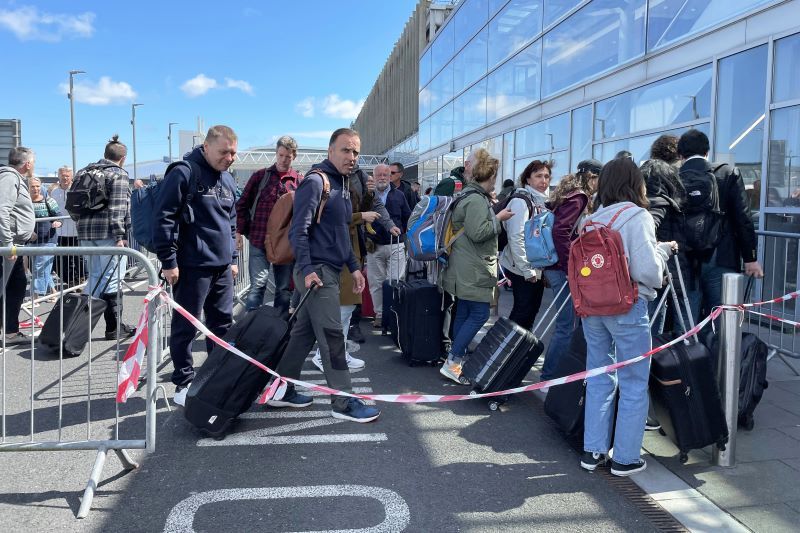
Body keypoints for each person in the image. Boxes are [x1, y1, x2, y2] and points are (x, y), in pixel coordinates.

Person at [267, 128, 380, 423]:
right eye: (345, 150)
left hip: (328, 270)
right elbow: (299, 230)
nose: (352, 157)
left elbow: (341, 233)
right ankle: (342, 402)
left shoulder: (342, 184)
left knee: (302, 336)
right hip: (316, 273)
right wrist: (306, 270)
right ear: (330, 151)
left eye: (356, 151)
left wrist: (354, 267)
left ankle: (282, 389)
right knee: (332, 338)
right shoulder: (317, 182)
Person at [579, 157, 675, 477]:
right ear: (636, 184)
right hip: (626, 306)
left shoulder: (590, 220)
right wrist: (662, 254)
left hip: (592, 307)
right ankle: (625, 457)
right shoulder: (637, 216)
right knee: (634, 382)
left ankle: (593, 451)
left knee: (599, 376)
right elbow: (647, 270)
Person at [153, 126, 239, 406]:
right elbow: (164, 217)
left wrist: (234, 260)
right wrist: (168, 261)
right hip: (191, 266)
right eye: (224, 151)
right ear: (206, 147)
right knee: (186, 327)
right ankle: (184, 382)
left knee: (222, 325)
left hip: (222, 267)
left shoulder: (226, 179)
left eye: (234, 152)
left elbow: (231, 221)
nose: (230, 157)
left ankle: (214, 378)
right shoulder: (184, 172)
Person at [439, 148, 513, 383]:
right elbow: (479, 232)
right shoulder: (476, 200)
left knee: (464, 311)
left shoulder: (466, 196)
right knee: (480, 313)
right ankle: (453, 361)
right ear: (489, 176)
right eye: (494, 177)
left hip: (462, 266)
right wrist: (498, 219)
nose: (495, 181)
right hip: (474, 268)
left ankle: (453, 361)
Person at [676, 129, 763, 318]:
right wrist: (750, 258)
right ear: (707, 152)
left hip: (684, 258)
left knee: (686, 321)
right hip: (721, 255)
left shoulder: (673, 177)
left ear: (680, 155)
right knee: (722, 317)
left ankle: (688, 347)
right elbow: (743, 219)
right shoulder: (727, 173)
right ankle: (720, 347)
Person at [73, 135, 136, 341]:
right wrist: (120, 235)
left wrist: (81, 225)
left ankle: (75, 326)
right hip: (108, 234)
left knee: (94, 278)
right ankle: (113, 327)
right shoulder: (118, 174)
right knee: (112, 279)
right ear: (123, 158)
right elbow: (118, 208)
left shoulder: (84, 171)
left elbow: (72, 204)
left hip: (85, 233)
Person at [538, 166, 596, 381]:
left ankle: (556, 374)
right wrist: (569, 265)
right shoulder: (579, 197)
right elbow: (561, 230)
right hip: (562, 269)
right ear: (592, 177)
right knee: (567, 325)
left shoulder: (567, 195)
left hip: (554, 266)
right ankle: (549, 376)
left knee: (568, 324)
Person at [235, 135, 302, 315]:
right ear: (276, 153)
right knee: (257, 286)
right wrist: (241, 231)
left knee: (283, 289)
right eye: (280, 155)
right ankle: (251, 328)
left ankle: (277, 330)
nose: (283, 160)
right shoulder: (260, 176)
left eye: (287, 156)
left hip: (285, 244)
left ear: (293, 157)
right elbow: (242, 204)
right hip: (258, 240)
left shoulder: (298, 181)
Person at [499, 160, 551, 331]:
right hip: (521, 268)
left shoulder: (541, 202)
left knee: (530, 311)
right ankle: (504, 352)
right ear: (528, 179)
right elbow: (516, 237)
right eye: (538, 176)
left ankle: (518, 352)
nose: (544, 180)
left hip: (534, 268)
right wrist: (527, 269)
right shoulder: (521, 202)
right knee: (522, 312)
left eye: (547, 176)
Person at [365, 163, 410, 329]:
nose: (382, 178)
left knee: (395, 281)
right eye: (379, 175)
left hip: (395, 245)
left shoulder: (399, 195)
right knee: (376, 283)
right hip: (374, 245)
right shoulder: (367, 196)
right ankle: (380, 314)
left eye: (386, 175)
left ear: (390, 177)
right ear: (374, 177)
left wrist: (403, 235)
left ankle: (394, 314)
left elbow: (407, 217)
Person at [0, 147, 36, 343]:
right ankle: (10, 331)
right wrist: (7, 244)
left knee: (16, 285)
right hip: (9, 245)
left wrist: (27, 230)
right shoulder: (10, 178)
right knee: (11, 286)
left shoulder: (12, 178)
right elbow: (1, 210)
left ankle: (10, 331)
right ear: (27, 164)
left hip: (15, 243)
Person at [27, 177, 61, 300]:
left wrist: (57, 222)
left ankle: (36, 296)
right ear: (28, 187)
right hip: (31, 241)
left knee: (39, 268)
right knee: (44, 269)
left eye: (37, 186)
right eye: (32, 186)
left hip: (48, 241)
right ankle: (53, 292)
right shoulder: (25, 202)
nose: (35, 188)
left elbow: (59, 216)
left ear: (41, 187)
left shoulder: (49, 201)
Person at [49, 166, 81, 287]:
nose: (65, 178)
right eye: (62, 176)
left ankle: (80, 279)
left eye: (67, 176)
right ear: (59, 177)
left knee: (78, 258)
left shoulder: (76, 190)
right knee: (63, 259)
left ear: (71, 177)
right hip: (60, 232)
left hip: (76, 231)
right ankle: (70, 281)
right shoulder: (54, 192)